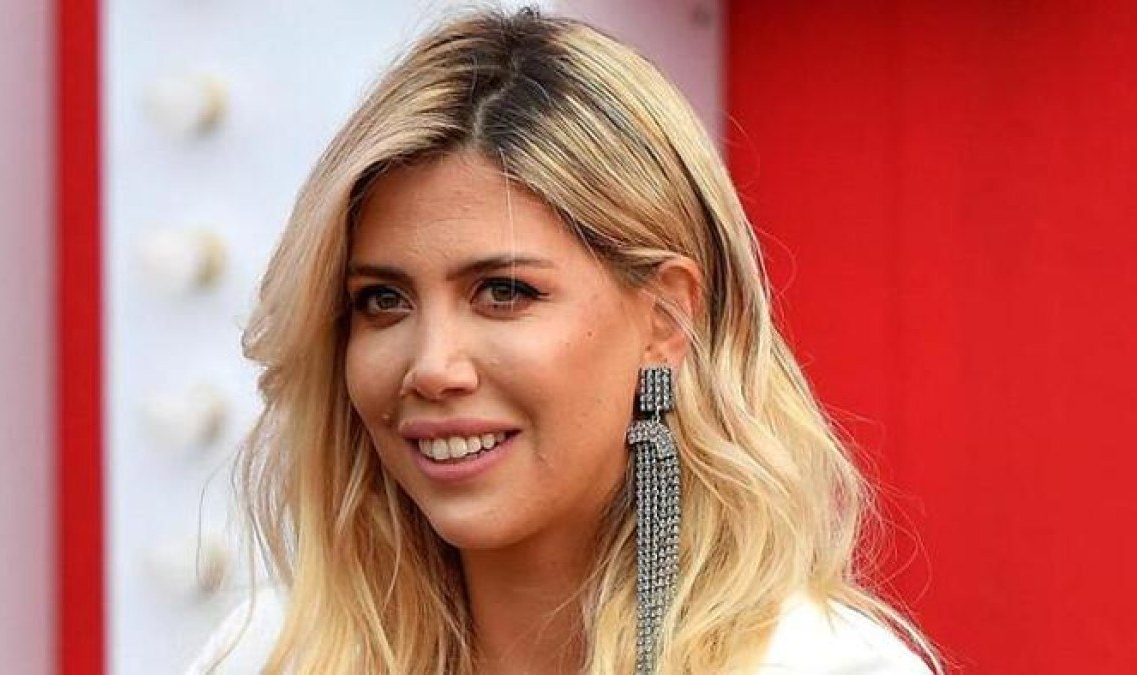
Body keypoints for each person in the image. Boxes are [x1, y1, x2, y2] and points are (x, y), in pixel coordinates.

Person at [188, 7, 938, 674]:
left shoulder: (819, 665)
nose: (432, 366)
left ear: (666, 319)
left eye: (504, 292)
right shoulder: (273, 654)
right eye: (383, 300)